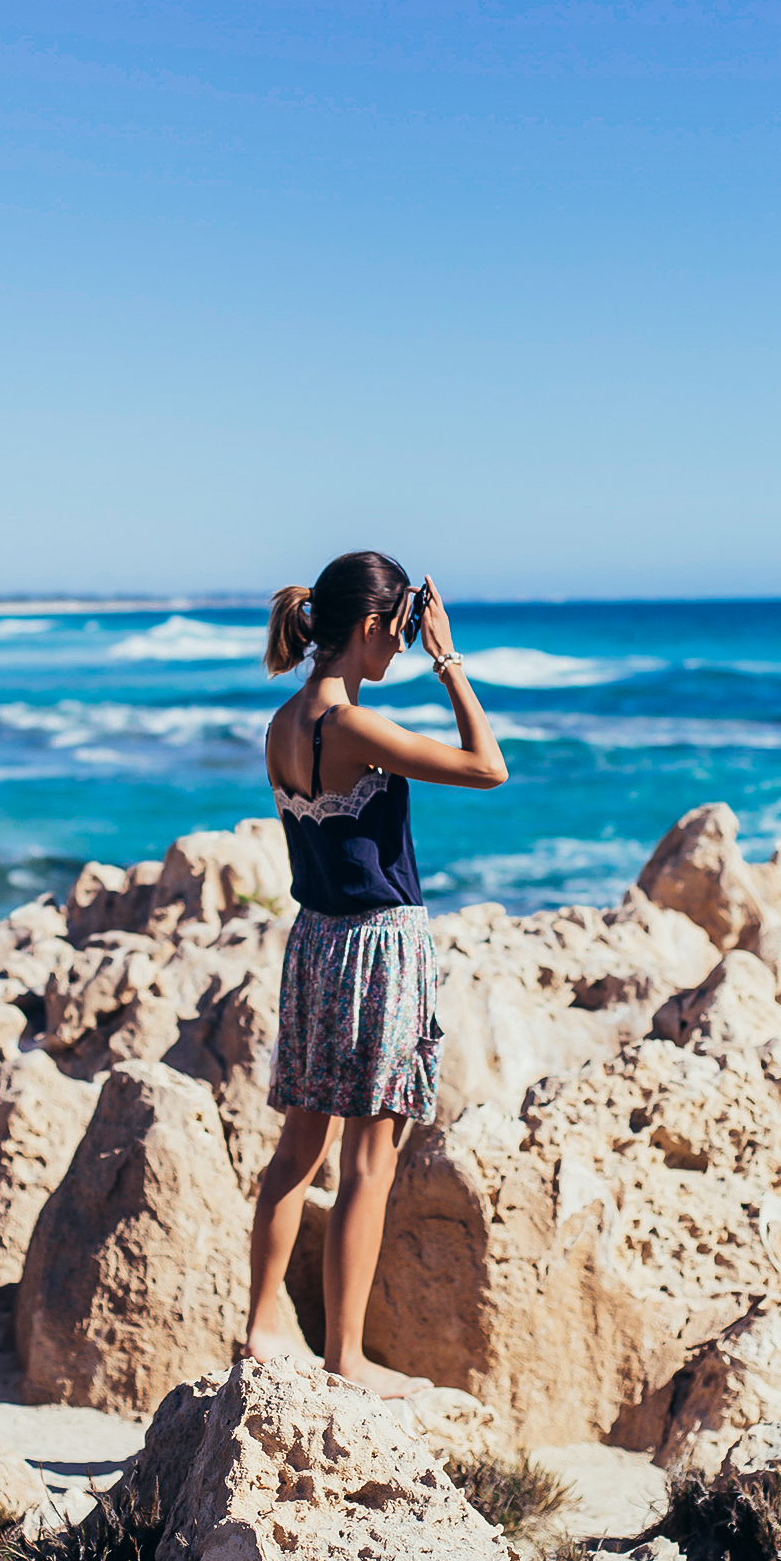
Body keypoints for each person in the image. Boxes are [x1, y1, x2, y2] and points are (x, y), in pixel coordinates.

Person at [245, 549, 508, 1397]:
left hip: (315, 945)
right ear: (367, 627)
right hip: (378, 948)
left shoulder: (284, 725)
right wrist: (449, 661)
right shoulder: (351, 727)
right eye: (394, 636)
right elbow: (486, 766)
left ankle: (260, 1329)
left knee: (298, 1150)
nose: (398, 653)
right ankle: (345, 1356)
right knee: (368, 1160)